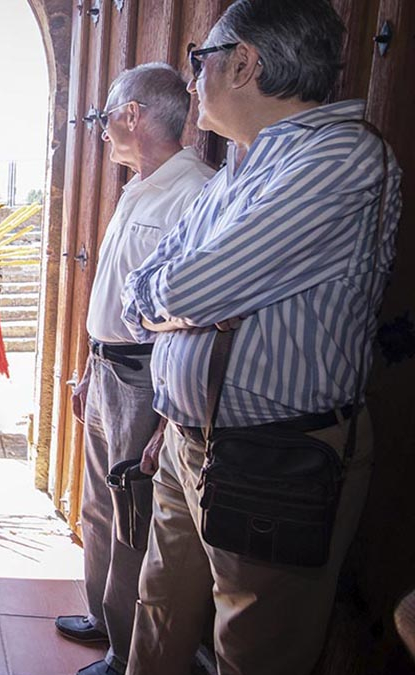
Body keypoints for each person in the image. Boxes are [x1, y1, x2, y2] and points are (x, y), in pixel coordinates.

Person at [120, 1, 402, 673]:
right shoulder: (245, 167)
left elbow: (184, 288)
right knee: (158, 622)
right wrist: (178, 304)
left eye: (200, 62)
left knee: (254, 649)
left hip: (278, 456)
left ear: (243, 63)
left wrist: (177, 297)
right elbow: (152, 288)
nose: (193, 82)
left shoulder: (341, 160)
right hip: (194, 440)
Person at [55, 63, 214, 675]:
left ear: (132, 115)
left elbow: (198, 312)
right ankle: (102, 617)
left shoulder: (195, 192)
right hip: (108, 369)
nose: (99, 129)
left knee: (134, 519)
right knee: (100, 505)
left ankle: (126, 653)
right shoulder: (139, 186)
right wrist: (89, 368)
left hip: (151, 378)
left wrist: (165, 420)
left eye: (104, 117)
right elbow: (117, 294)